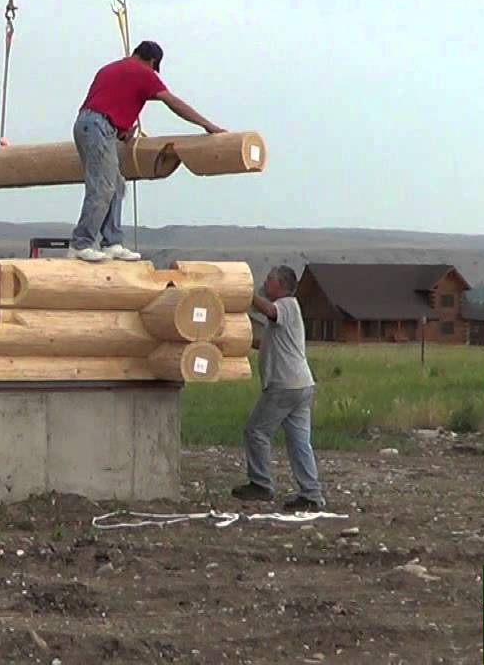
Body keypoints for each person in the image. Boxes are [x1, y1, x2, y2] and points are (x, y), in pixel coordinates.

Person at [70, 40, 225, 263]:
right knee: (103, 186)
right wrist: (206, 125)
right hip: (98, 127)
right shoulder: (143, 73)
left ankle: (112, 242)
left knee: (116, 185)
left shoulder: (110, 69)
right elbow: (172, 102)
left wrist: (120, 130)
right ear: (152, 61)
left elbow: (107, 101)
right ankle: (81, 243)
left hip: (90, 125)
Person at [232, 265, 326, 511]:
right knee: (299, 442)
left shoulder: (287, 305)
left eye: (270, 279)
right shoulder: (287, 315)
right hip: (301, 385)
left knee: (256, 431)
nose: (266, 282)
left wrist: (245, 295)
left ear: (281, 285)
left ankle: (260, 484)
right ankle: (311, 494)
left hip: (284, 386)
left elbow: (270, 311)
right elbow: (267, 343)